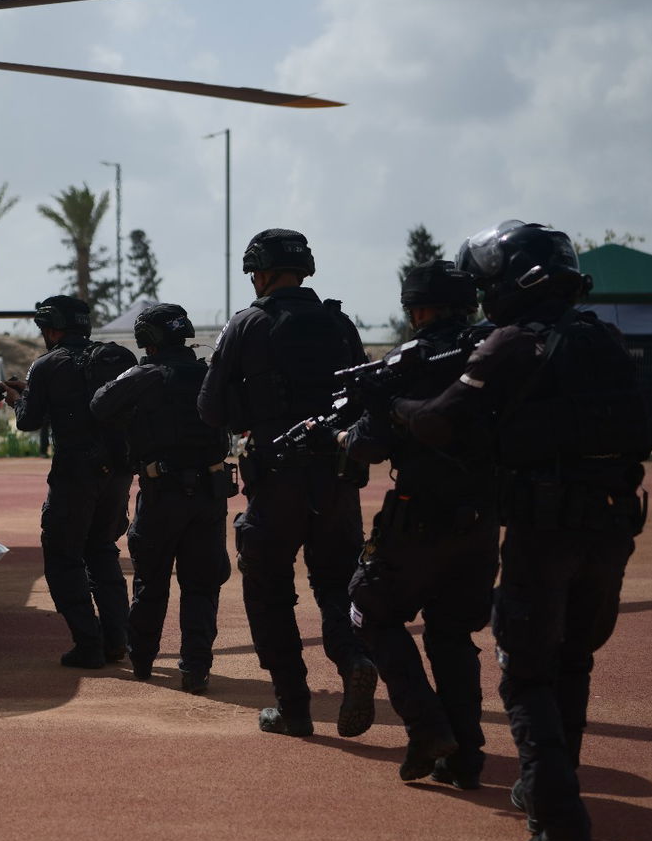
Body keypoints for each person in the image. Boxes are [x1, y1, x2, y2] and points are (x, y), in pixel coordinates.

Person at [392, 221, 651, 841]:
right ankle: (544, 786)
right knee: (572, 662)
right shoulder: (606, 338)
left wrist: (390, 404)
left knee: (527, 671)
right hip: (615, 525)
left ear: (511, 284)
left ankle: (562, 825)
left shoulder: (512, 344)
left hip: (545, 530)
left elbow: (437, 423)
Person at [198, 228, 378, 738]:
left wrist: (253, 413)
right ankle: (352, 660)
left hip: (276, 480)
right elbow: (364, 396)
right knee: (338, 584)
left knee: (269, 590)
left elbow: (210, 409)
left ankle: (294, 708)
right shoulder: (340, 323)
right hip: (338, 481)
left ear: (262, 271)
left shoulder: (248, 324)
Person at [333, 260, 499, 786]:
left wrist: (344, 435)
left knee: (368, 610)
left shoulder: (407, 364)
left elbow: (373, 442)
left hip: (418, 518)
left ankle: (426, 727)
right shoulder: (497, 349)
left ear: (419, 309)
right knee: (451, 632)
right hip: (482, 519)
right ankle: (465, 756)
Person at [90, 303, 233, 693]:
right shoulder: (208, 374)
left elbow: (101, 404)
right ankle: (195, 667)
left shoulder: (146, 375)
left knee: (151, 582)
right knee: (202, 585)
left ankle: (143, 660)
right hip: (210, 494)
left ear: (147, 340)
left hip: (162, 494)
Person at [0, 295, 138, 668]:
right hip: (118, 473)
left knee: (63, 557)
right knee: (103, 550)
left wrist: (18, 398)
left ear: (53, 328)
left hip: (76, 475)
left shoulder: (47, 364)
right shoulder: (114, 359)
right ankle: (116, 641)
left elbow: (29, 420)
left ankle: (88, 644)